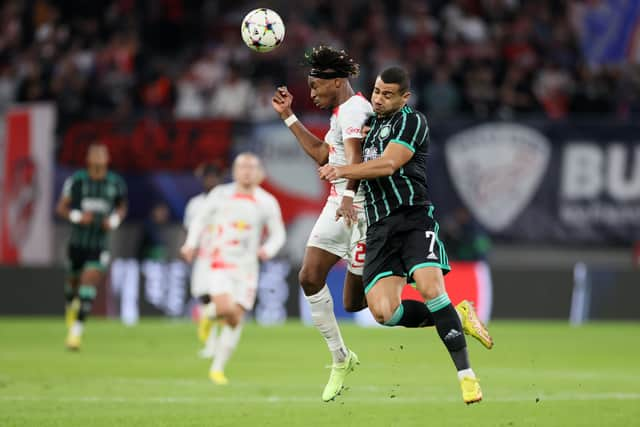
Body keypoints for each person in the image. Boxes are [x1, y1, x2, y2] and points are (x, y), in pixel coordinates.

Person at [272, 46, 491, 402]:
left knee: (415, 292)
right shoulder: (363, 119)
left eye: (387, 94)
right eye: (376, 91)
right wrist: (290, 118)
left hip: (390, 214)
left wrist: (344, 186)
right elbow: (331, 154)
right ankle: (345, 355)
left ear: (404, 97)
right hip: (368, 218)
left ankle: (465, 372)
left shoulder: (397, 118)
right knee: (373, 308)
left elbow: (379, 164)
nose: (378, 98)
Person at [271, 45, 372, 402]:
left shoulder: (356, 110)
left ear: (338, 81)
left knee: (358, 303)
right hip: (339, 203)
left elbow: (358, 161)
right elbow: (323, 155)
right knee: (309, 276)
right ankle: (340, 357)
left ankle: (442, 311)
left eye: (316, 87)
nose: (311, 93)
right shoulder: (340, 112)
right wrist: (288, 116)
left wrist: (347, 197)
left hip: (362, 208)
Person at [180, 153, 285, 384]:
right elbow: (199, 220)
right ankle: (209, 314)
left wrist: (267, 250)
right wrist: (190, 244)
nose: (247, 171)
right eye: (242, 167)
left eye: (251, 167)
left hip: (247, 269)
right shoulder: (221, 195)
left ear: (259, 173)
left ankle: (217, 368)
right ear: (235, 171)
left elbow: (278, 234)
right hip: (220, 263)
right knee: (226, 308)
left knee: (235, 318)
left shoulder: (267, 201)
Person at [56, 143, 127, 350]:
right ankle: (71, 306)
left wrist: (114, 220)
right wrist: (77, 217)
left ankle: (76, 334)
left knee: (88, 284)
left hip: (99, 244)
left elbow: (122, 207)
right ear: (87, 159)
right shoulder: (77, 181)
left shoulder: (115, 183)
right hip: (77, 242)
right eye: (94, 154)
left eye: (101, 154)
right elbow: (61, 208)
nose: (97, 158)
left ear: (107, 159)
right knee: (73, 285)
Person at [183, 164, 223, 358]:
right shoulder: (195, 204)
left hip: (224, 259)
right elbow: (189, 229)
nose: (211, 181)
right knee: (204, 299)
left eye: (214, 178)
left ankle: (217, 342)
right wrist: (188, 247)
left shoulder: (227, 202)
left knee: (218, 301)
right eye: (208, 178)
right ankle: (211, 344)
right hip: (203, 258)